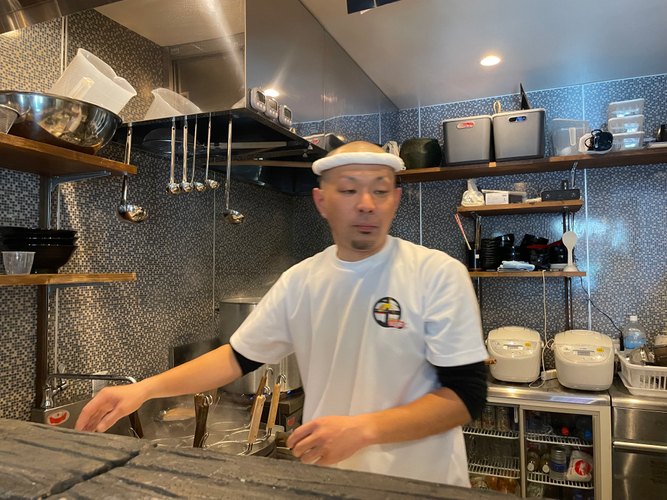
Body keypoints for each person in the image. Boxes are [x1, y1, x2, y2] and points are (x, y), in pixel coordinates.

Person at [76, 141, 488, 487]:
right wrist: (142, 390)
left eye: (380, 191)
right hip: (332, 483)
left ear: (395, 200)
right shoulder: (301, 282)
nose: (366, 204)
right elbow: (237, 357)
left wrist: (363, 430)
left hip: (423, 484)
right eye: (349, 190)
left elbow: (465, 397)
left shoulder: (437, 274)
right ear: (321, 201)